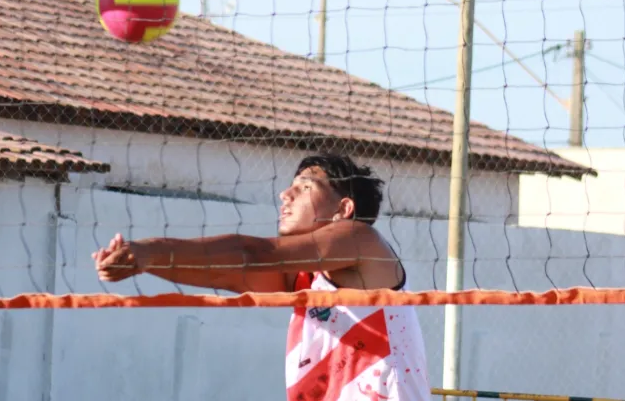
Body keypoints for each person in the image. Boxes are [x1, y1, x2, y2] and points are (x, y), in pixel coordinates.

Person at [93, 153, 430, 400]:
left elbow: (253, 253)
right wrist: (141, 262)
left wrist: (150, 250)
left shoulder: (360, 238)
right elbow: (227, 273)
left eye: (304, 187)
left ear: (343, 209)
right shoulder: (304, 280)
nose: (285, 195)